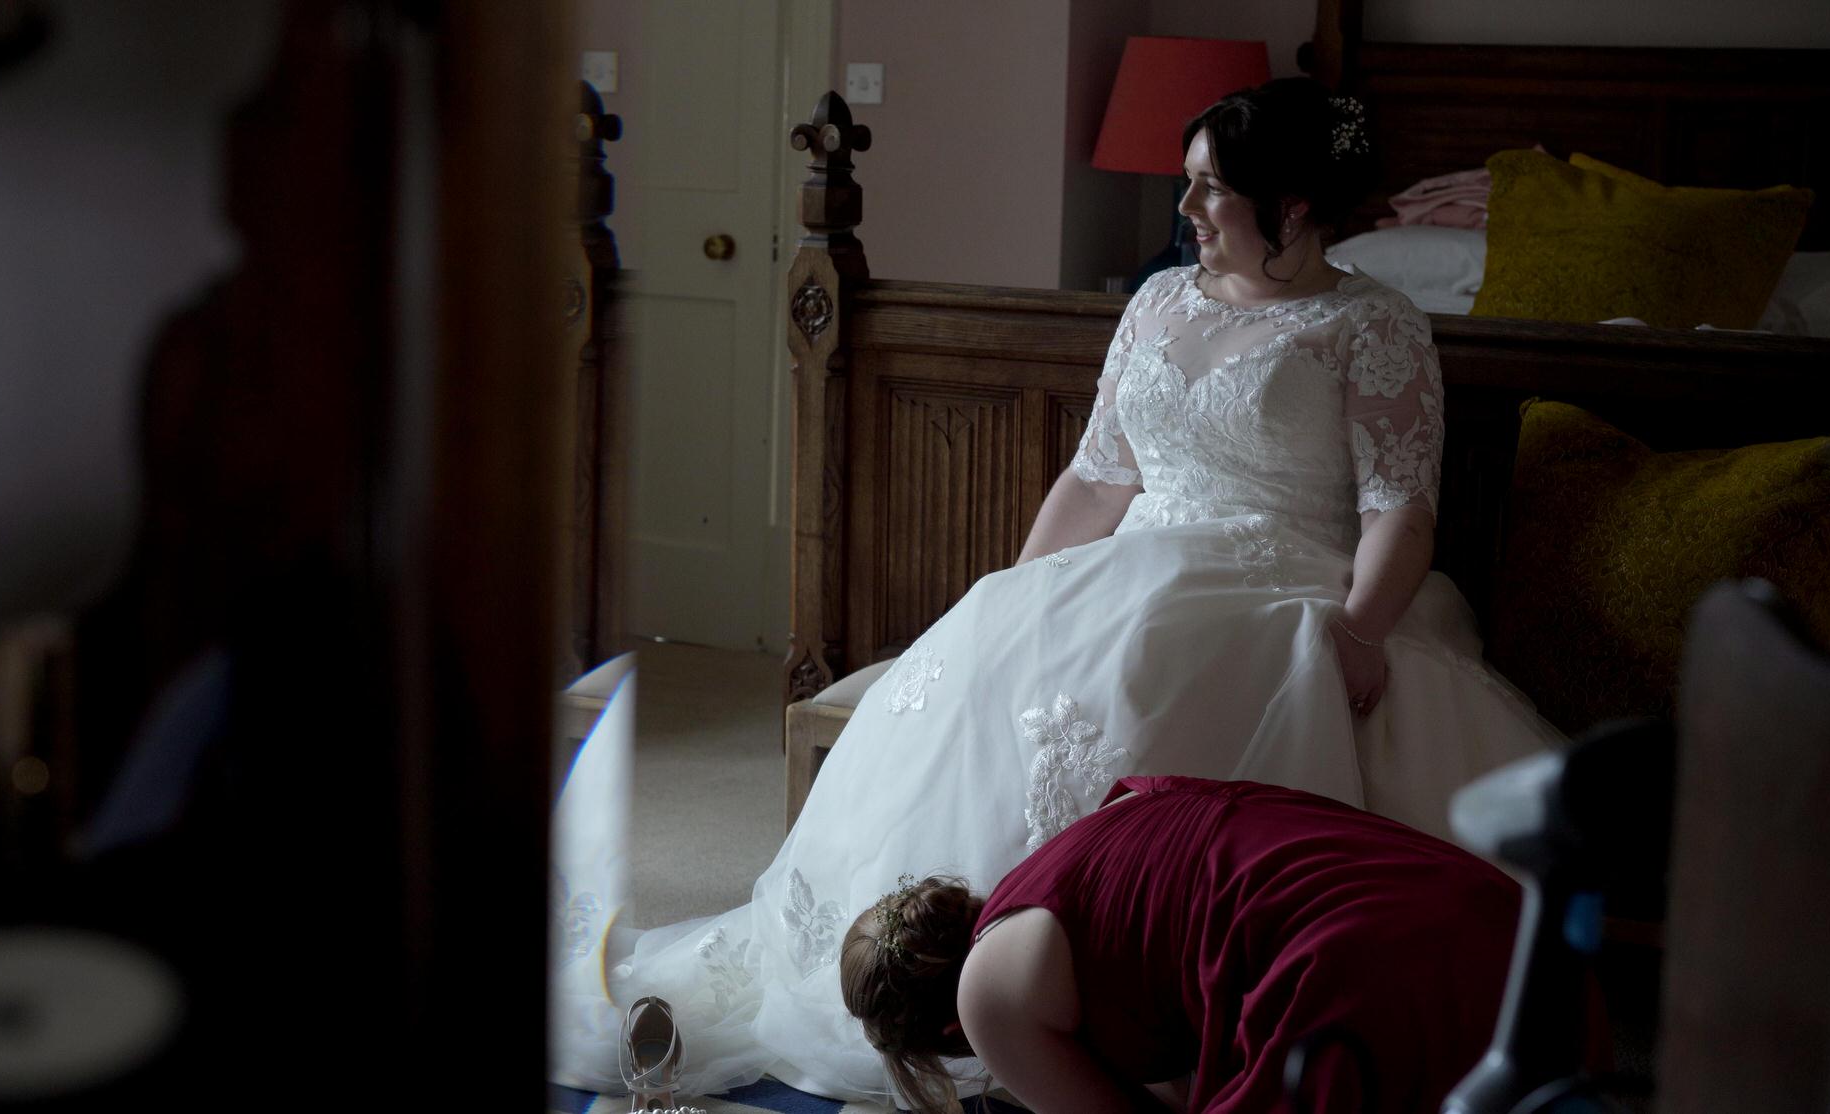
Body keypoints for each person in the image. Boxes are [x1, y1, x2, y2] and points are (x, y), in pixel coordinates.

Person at [552, 77, 1561, 1101]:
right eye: (1188, 184)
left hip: (1290, 580)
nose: (1186, 211)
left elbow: (1401, 508)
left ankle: (1109, 1006)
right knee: (1004, 664)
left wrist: (1358, 631)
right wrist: (1021, 599)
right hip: (1136, 562)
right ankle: (946, 978)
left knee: (1163, 686)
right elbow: (1096, 476)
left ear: (1292, 206)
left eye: (1211, 190)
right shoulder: (1159, 300)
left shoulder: (1372, 323)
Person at [842, 776, 1524, 1114]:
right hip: (1476, 903)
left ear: (946, 1029)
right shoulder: (1081, 842)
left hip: (1360, 970)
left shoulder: (986, 992)